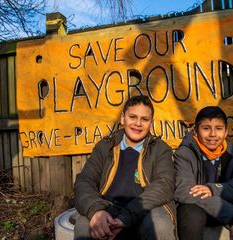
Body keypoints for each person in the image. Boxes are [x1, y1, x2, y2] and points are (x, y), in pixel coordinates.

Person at [74, 95, 176, 240]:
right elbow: (84, 181)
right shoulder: (106, 146)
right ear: (123, 118)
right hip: (108, 207)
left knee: (160, 225)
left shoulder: (160, 149)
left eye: (144, 119)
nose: (138, 123)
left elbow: (164, 185)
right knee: (84, 226)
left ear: (151, 123)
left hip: (145, 209)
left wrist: (126, 217)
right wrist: (97, 210)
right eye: (133, 117)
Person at [174, 106, 233, 240]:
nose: (213, 134)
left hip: (230, 206)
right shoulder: (185, 153)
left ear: (225, 132)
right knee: (190, 211)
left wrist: (213, 189)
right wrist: (228, 212)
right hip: (202, 210)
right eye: (206, 128)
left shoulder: (231, 152)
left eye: (218, 129)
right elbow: (184, 191)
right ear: (195, 131)